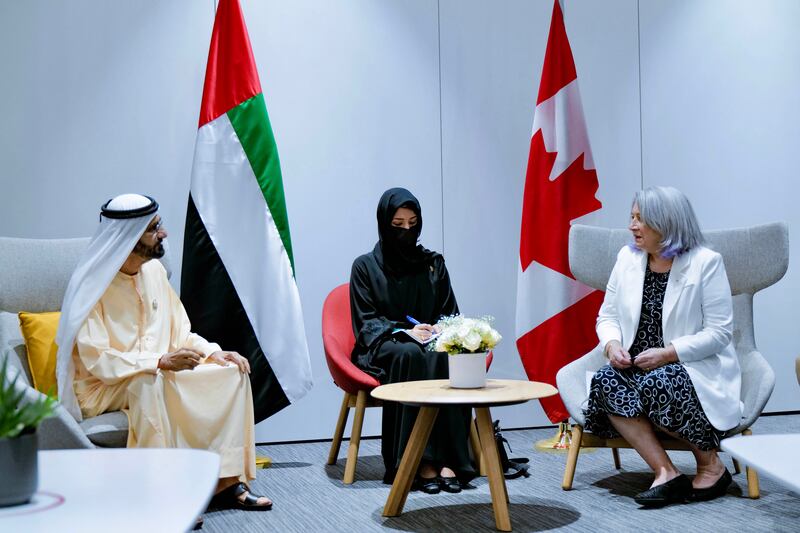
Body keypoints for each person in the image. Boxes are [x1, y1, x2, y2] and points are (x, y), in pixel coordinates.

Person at [55, 194, 272, 520]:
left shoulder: (154, 272)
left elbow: (181, 333)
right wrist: (157, 362)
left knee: (232, 372)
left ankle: (226, 483)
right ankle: (162, 492)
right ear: (128, 237)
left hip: (157, 372)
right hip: (101, 387)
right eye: (154, 228)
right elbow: (97, 359)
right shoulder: (92, 286)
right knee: (147, 381)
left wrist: (214, 352)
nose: (164, 233)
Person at [583, 186, 741, 507]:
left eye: (641, 219)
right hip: (635, 367)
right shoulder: (627, 258)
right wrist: (612, 345)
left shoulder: (705, 262)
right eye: (632, 217)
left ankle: (712, 466)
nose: (632, 226)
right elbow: (607, 315)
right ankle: (665, 471)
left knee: (658, 381)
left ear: (667, 224)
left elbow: (719, 333)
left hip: (689, 367)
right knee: (605, 380)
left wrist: (669, 354)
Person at [349, 187, 475, 493]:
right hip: (385, 344)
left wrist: (440, 329)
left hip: (430, 340)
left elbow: (451, 313)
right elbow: (365, 322)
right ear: (384, 224)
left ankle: (448, 458)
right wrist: (402, 331)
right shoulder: (365, 266)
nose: (407, 230)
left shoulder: (433, 263)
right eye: (398, 225)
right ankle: (414, 461)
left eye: (412, 223)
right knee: (409, 354)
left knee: (444, 356)